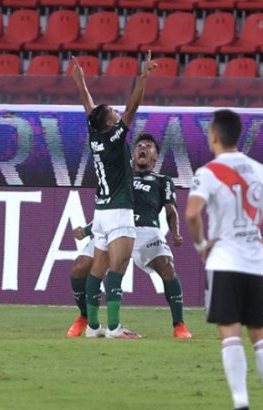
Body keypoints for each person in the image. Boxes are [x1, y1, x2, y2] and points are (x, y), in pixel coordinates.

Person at [186, 109, 263, 410]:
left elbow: (191, 213)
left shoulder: (208, 172)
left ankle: (241, 403)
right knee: (261, 334)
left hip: (224, 261)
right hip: (254, 262)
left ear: (214, 135)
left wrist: (200, 245)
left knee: (230, 334)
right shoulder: (257, 169)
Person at [66, 133, 192, 339]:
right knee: (80, 266)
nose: (142, 148)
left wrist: (176, 233)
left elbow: (171, 210)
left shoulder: (162, 181)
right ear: (133, 153)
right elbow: (107, 209)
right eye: (139, 145)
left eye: (148, 146)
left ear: (155, 156)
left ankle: (179, 325)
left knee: (167, 266)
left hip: (146, 231)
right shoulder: (121, 176)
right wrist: (87, 230)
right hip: (115, 226)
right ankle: (85, 317)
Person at [70, 52, 157, 339]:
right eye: (113, 114)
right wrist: (143, 77)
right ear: (110, 123)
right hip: (119, 211)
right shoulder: (113, 136)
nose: (118, 113)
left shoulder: (95, 136)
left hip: (101, 212)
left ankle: (94, 328)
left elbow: (89, 108)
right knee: (117, 269)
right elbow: (134, 107)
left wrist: (82, 83)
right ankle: (115, 327)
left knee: (98, 270)